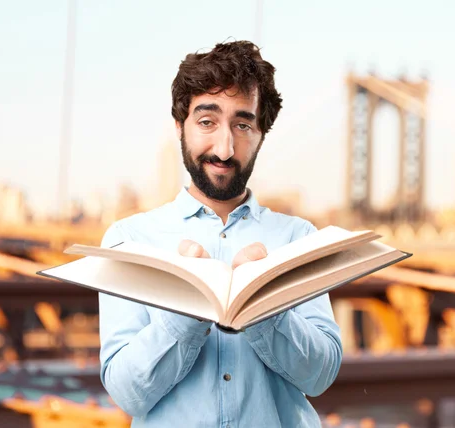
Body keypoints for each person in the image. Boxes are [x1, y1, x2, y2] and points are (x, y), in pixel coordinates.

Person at [98, 40, 343, 427]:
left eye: (243, 125)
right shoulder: (128, 239)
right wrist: (188, 308)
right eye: (207, 122)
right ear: (180, 125)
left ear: (262, 133)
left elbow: (320, 376)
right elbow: (128, 393)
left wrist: (263, 304)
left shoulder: (301, 238)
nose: (225, 149)